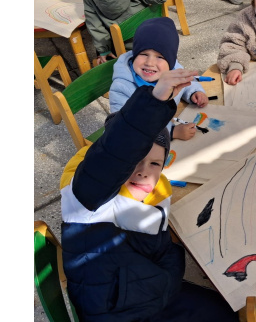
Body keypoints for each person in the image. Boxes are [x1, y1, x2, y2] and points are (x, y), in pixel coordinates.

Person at [60, 70, 239, 322]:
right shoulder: (88, 199)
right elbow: (114, 153)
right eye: (135, 161)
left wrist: (171, 268)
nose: (143, 172)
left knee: (228, 311)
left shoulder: (155, 193)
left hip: (151, 293)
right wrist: (154, 103)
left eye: (155, 164)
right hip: (115, 312)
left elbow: (157, 248)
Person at [110, 17, 208, 141]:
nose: (149, 63)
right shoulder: (121, 87)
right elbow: (126, 128)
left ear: (171, 62)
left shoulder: (173, 69)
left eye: (160, 57)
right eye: (144, 54)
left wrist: (194, 92)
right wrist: (171, 132)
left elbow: (184, 81)